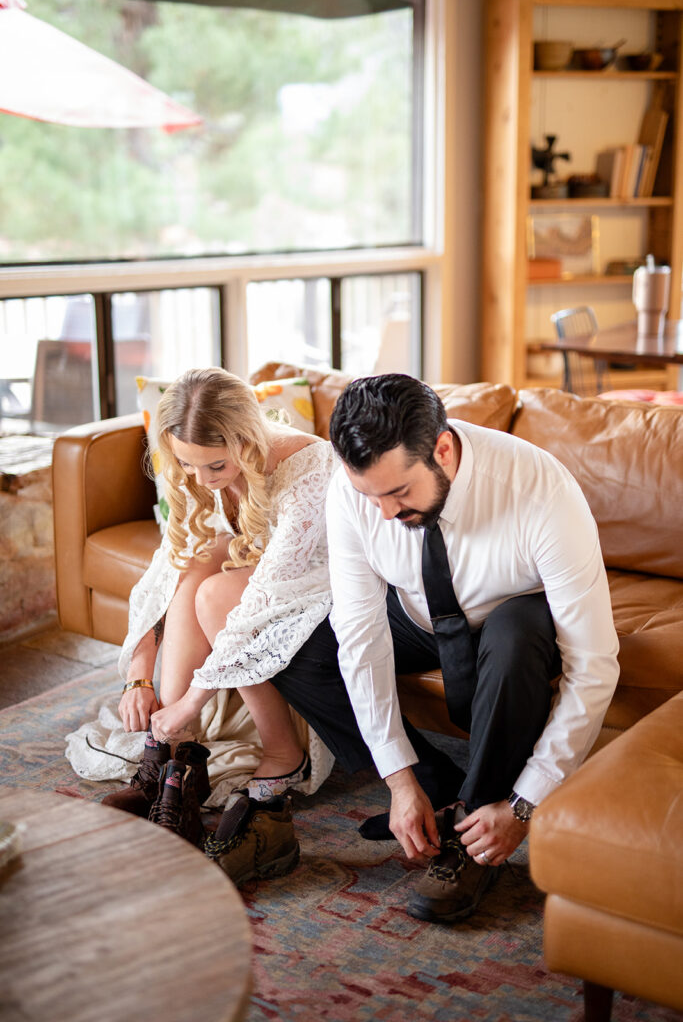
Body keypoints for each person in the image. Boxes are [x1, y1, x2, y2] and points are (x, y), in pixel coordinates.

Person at [269, 373, 620, 924]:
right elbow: (360, 634)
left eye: (400, 493)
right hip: (415, 613)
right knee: (290, 650)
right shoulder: (354, 491)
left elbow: (594, 665)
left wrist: (527, 801)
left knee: (513, 637)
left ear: (444, 449)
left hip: (511, 619)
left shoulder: (540, 491)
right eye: (371, 495)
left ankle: (481, 821)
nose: (384, 514)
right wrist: (398, 778)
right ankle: (434, 789)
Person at [67, 367, 336, 831]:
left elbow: (267, 594)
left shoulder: (309, 470)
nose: (202, 478)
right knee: (196, 566)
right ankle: (173, 756)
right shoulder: (193, 471)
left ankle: (283, 751)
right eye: (188, 464)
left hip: (321, 583)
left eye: (216, 465)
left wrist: (192, 701)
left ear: (247, 440)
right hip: (260, 575)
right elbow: (166, 570)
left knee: (214, 595)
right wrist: (139, 677)